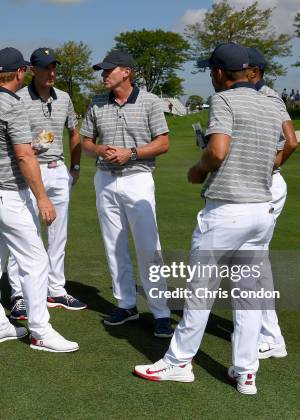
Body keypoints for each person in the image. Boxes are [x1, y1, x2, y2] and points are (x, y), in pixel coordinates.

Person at [134, 43, 284, 395]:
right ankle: (246, 373)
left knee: (200, 291)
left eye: (210, 71)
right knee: (248, 296)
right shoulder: (270, 102)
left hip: (227, 211)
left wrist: (198, 169)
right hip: (261, 210)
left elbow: (217, 150)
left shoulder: (224, 100)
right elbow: (282, 149)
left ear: (219, 73)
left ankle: (178, 362)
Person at [0, 47, 79, 353]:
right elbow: (24, 155)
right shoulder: (13, 105)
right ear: (19, 73)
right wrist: (43, 198)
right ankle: (40, 331)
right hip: (8, 195)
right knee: (36, 260)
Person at [80, 50, 173, 338]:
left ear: (126, 72)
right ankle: (126, 303)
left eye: (109, 70)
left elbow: (163, 143)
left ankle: (161, 311)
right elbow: (85, 141)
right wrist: (98, 150)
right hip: (105, 179)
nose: (103, 74)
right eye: (102, 70)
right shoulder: (97, 102)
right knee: (113, 246)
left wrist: (130, 153)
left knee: (149, 247)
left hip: (138, 179)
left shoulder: (149, 101)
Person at [6, 47, 86, 320]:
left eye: (54, 67)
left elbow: (74, 133)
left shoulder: (63, 98)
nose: (51, 73)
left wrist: (74, 167)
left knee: (58, 235)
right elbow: (11, 141)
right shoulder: (17, 99)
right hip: (29, 171)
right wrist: (36, 145)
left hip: (58, 170)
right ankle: (18, 294)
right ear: (32, 70)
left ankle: (55, 289)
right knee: (25, 234)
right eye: (45, 68)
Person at [247, 47, 298, 359]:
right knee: (255, 261)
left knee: (251, 262)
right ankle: (266, 332)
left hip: (265, 185)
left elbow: (291, 141)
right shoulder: (259, 96)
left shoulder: (267, 97)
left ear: (253, 72)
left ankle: (270, 336)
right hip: (259, 184)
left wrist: (268, 166)